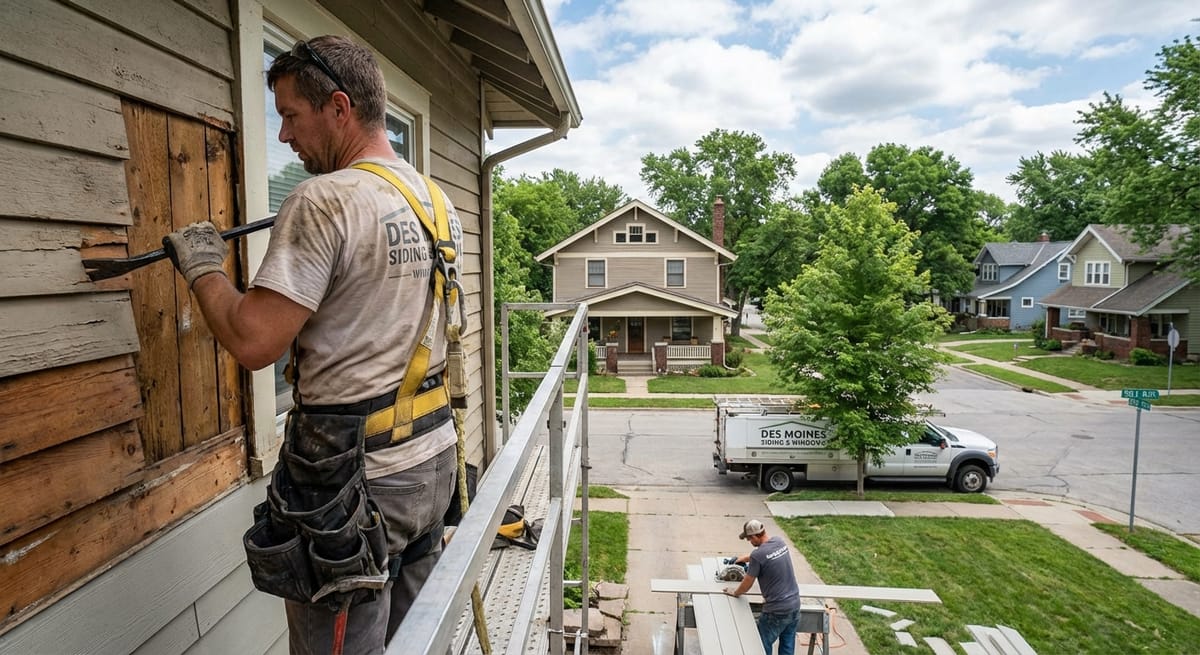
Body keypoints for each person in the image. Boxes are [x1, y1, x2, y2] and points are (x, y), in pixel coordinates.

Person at [163, 35, 461, 655]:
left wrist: (203, 270)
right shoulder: (435, 201)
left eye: (291, 116)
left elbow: (254, 341)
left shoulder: (326, 200)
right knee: (417, 640)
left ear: (339, 108)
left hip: (357, 487)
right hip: (430, 465)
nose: (283, 138)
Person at [723, 519, 801, 655]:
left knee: (761, 647)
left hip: (776, 611)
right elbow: (763, 555)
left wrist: (735, 592)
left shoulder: (758, 555)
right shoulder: (779, 542)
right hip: (794, 605)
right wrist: (743, 558)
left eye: (749, 539)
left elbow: (747, 584)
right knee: (787, 647)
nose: (749, 542)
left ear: (754, 536)